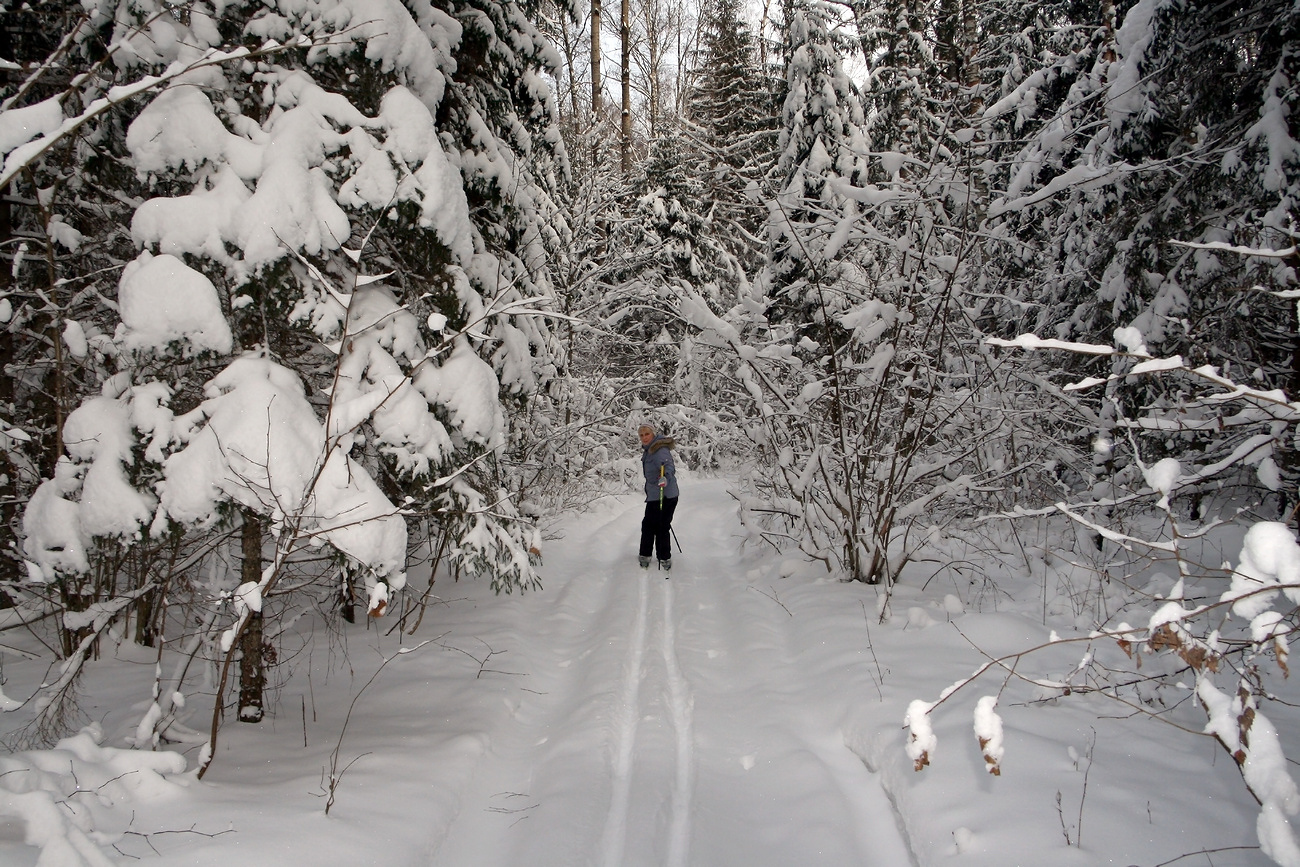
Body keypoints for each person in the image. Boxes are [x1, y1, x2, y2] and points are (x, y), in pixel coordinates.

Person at [637, 423, 678, 572]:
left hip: (666, 494)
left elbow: (669, 467)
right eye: (641, 435)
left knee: (660, 526)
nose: (644, 437)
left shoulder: (659, 450)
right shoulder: (649, 450)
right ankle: (646, 555)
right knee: (649, 524)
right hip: (655, 494)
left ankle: (663, 557)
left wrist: (665, 477)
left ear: (653, 434)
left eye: (647, 434)